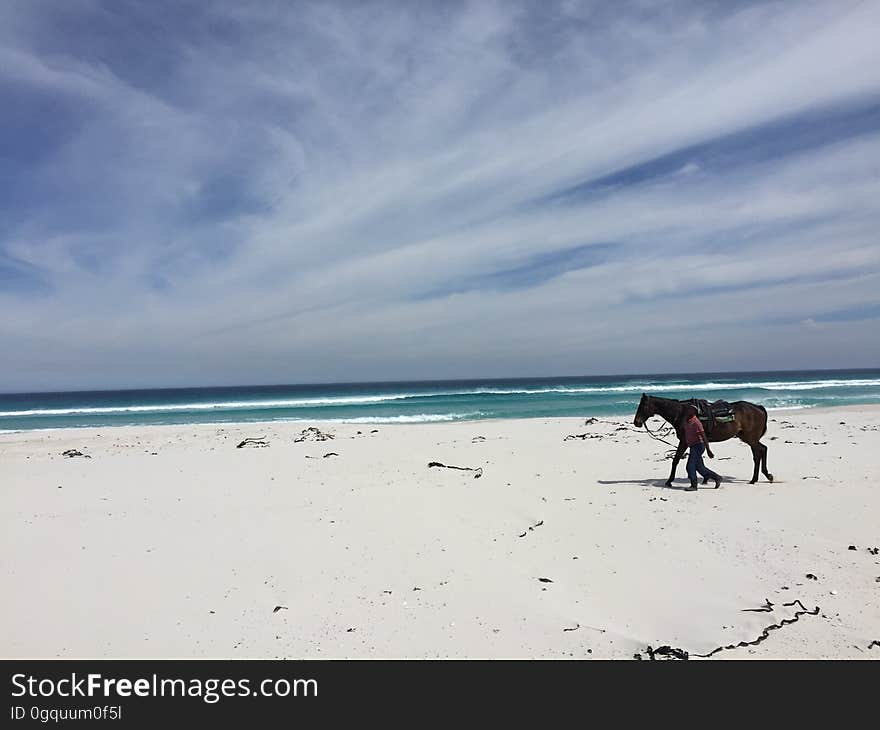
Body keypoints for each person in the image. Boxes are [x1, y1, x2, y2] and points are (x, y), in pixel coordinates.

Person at [683, 405, 721, 491]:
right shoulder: (686, 420)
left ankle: (694, 485)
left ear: (693, 412)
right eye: (687, 409)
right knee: (699, 467)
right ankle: (717, 477)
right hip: (692, 446)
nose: (687, 411)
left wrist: (708, 450)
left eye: (689, 410)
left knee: (690, 466)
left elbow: (704, 437)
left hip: (698, 446)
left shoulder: (696, 423)